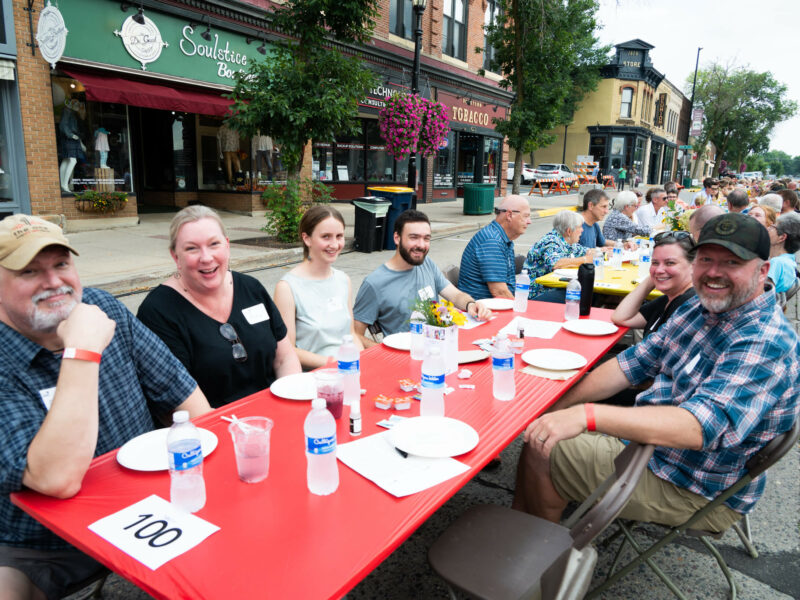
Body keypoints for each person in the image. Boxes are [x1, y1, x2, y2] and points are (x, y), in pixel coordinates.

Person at [513, 212, 799, 535]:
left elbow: (698, 427)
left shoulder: (766, 341)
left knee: (547, 449)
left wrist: (585, 415)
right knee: (542, 430)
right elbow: (629, 365)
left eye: (732, 262)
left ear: (762, 271)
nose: (714, 272)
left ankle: (536, 568)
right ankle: (520, 532)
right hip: (657, 450)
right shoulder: (699, 308)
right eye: (706, 259)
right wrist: (558, 407)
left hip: (693, 484)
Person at [0, 215, 212, 599]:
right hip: (43, 547)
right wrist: (82, 351)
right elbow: (56, 479)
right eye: (29, 271)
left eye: (61, 264)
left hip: (147, 512)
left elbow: (186, 399)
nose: (52, 282)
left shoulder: (101, 307)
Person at [137, 206, 301, 408]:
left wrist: (291, 402)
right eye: (191, 248)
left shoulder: (251, 288)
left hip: (274, 413)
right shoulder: (158, 312)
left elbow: (284, 358)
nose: (206, 258)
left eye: (214, 244)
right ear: (175, 256)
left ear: (227, 246)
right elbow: (174, 402)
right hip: (212, 428)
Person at [354, 210, 491, 347]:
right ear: (397, 238)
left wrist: (471, 304)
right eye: (414, 237)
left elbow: (455, 295)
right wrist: (385, 353)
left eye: (426, 238)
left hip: (438, 347)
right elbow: (355, 335)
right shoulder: (374, 283)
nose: (421, 245)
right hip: (405, 356)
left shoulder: (427, 263)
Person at [273, 206, 361, 369]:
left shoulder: (343, 280)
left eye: (339, 236)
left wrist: (362, 360)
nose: (334, 244)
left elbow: (351, 334)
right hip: (317, 378)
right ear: (307, 239)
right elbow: (288, 350)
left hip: (349, 369)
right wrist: (335, 364)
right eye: (326, 237)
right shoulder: (287, 288)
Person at [612, 231, 695, 338]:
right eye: (655, 262)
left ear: (693, 266)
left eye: (670, 263)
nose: (659, 269)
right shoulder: (669, 298)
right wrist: (653, 277)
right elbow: (620, 318)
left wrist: (658, 274)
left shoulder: (689, 305)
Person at [458, 195, 531, 299]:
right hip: (484, 308)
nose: (529, 221)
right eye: (526, 216)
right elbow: (499, 292)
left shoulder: (501, 237)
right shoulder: (492, 241)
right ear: (509, 215)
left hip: (494, 305)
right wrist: (520, 310)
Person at [523, 211, 595, 301]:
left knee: (585, 292)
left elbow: (587, 251)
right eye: (580, 227)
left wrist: (601, 252)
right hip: (538, 293)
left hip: (552, 288)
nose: (582, 230)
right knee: (580, 295)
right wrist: (585, 259)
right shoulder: (551, 241)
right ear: (569, 231)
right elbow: (556, 264)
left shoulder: (569, 242)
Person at [766, 212, 800, 293]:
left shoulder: (777, 263)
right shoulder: (788, 261)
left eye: (772, 227)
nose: (767, 229)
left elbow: (761, 293)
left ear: (781, 238)